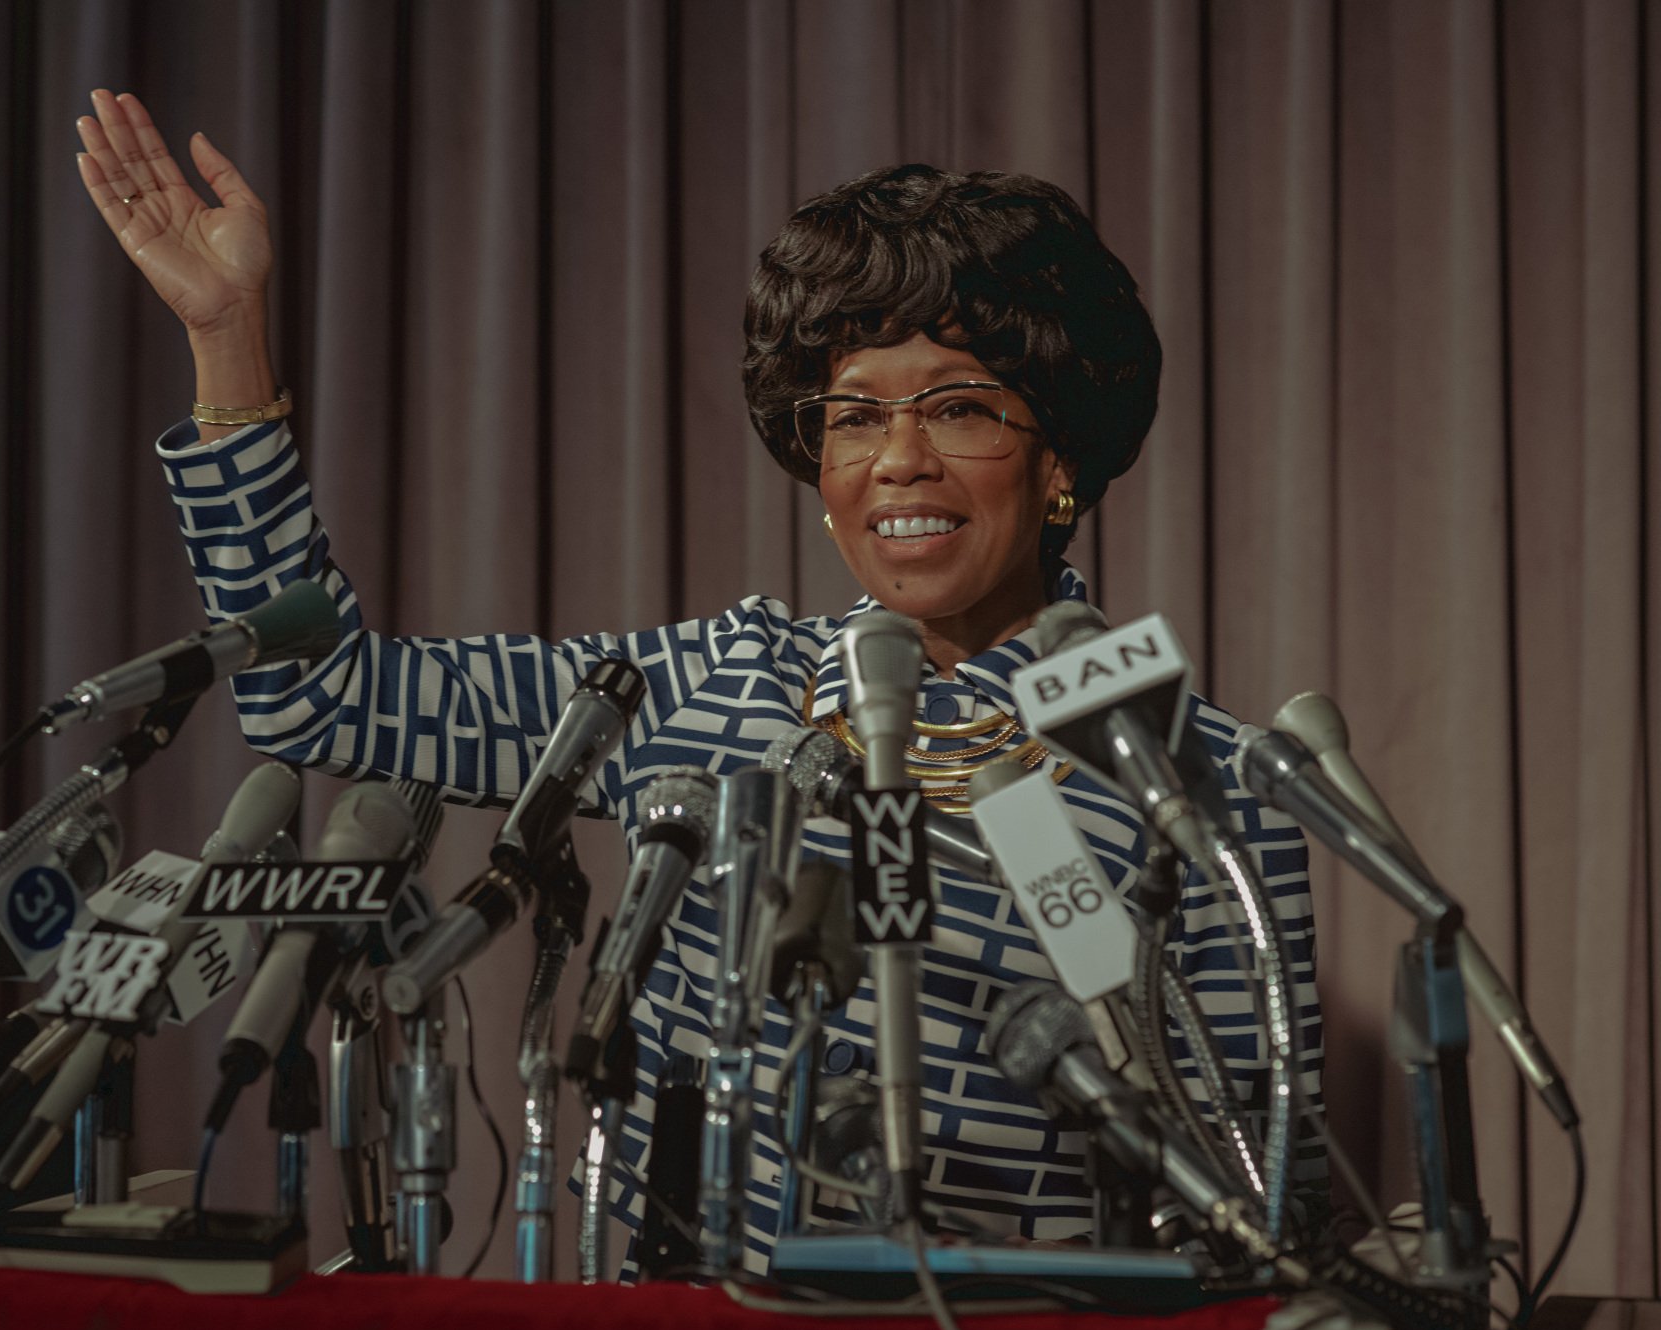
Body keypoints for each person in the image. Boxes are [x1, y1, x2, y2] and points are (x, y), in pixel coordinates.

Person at [74, 89, 1326, 1267]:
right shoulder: (722, 683)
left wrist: (1041, 840)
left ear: (1058, 460)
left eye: (957, 408)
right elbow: (324, 697)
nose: (897, 461)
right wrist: (228, 344)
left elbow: (1259, 1185)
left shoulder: (1191, 769)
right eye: (851, 417)